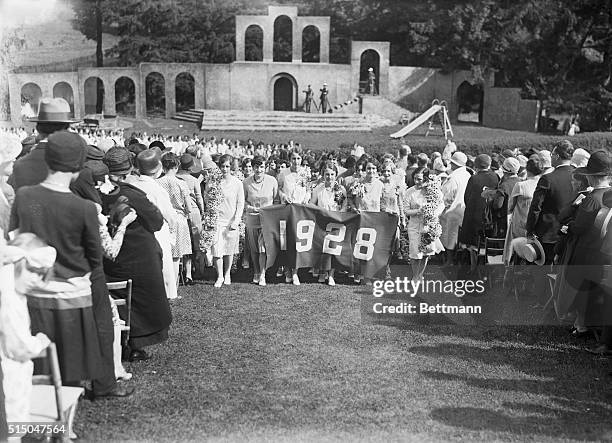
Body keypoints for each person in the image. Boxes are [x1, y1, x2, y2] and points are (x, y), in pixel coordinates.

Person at [9, 131, 131, 398]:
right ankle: (64, 427)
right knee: (71, 367)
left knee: (42, 366)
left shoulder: (26, 197)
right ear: (78, 166)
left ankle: (42, 425)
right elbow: (93, 257)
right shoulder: (84, 209)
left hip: (34, 293)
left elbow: (17, 238)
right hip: (72, 296)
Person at [101, 147, 172, 362]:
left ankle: (119, 341)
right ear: (128, 169)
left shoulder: (93, 193)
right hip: (139, 259)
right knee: (142, 300)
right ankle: (135, 344)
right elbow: (157, 221)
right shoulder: (132, 194)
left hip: (108, 261)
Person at [0, 233, 53, 424]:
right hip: (9, 376)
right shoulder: (9, 300)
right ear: (15, 264)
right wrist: (38, 342)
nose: (36, 279)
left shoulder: (14, 294)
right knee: (12, 428)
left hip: (14, 374)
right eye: (31, 271)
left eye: (41, 274)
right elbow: (18, 346)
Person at [126, 150, 179, 298]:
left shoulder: (133, 185)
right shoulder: (157, 189)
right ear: (158, 169)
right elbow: (170, 216)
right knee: (162, 268)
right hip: (157, 231)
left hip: (137, 232)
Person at [158, 153, 194, 285]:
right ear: (176, 166)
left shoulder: (157, 183)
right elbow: (189, 207)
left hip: (162, 219)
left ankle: (164, 284)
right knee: (176, 257)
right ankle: (172, 286)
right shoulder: (181, 183)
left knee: (164, 255)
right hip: (178, 219)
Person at [459, 154, 499, 273]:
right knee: (487, 243)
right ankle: (486, 265)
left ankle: (473, 266)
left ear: (476, 165)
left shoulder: (474, 178)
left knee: (473, 245)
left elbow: (466, 197)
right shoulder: (496, 176)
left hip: (474, 215)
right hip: (490, 216)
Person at [309, 164, 347, 285]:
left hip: (336, 222)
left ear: (336, 175)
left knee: (333, 248)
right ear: (323, 175)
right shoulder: (318, 189)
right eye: (327, 174)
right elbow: (311, 204)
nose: (329, 177)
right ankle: (322, 272)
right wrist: (320, 212)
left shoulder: (341, 189)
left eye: (332, 174)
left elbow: (344, 206)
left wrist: (338, 216)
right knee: (322, 248)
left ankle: (331, 275)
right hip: (322, 222)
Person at [404, 168, 444, 281]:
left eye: (420, 179)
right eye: (415, 179)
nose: (417, 182)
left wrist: (434, 214)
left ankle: (419, 275)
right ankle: (415, 276)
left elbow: (441, 204)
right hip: (414, 225)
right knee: (414, 252)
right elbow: (406, 210)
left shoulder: (433, 190)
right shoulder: (409, 192)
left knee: (426, 251)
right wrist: (419, 211)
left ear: (426, 179)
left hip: (428, 225)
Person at [243, 155, 278, 286]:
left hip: (267, 219)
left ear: (266, 167)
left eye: (262, 166)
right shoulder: (246, 182)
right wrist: (250, 207)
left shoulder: (272, 181)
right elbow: (243, 201)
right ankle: (256, 272)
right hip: (252, 218)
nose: (259, 169)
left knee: (263, 247)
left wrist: (270, 211)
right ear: (252, 168)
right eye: (256, 167)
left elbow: (276, 200)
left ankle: (263, 274)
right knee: (254, 248)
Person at [212, 154, 245, 288]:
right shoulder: (215, 181)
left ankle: (227, 274)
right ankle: (219, 275)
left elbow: (240, 203)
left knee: (229, 249)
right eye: (222, 166)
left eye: (227, 166)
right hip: (217, 220)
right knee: (217, 249)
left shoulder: (237, 183)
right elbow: (210, 199)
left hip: (231, 221)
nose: (225, 169)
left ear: (231, 167)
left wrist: (236, 220)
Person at [439, 152, 471, 265]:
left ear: (454, 164)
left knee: (449, 237)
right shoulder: (468, 175)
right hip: (463, 209)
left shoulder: (452, 178)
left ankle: (449, 261)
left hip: (451, 211)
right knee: (458, 236)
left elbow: (446, 197)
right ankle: (457, 259)